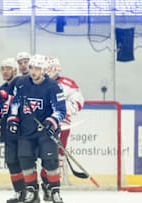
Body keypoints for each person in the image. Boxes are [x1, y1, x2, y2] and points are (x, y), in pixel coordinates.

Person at [7, 54, 66, 203]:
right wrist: (13, 119)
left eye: (37, 68)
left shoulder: (53, 86)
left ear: (44, 70)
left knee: (50, 161)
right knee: (25, 159)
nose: (33, 71)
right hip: (26, 131)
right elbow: (15, 104)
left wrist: (51, 121)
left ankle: (54, 191)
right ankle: (32, 191)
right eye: (32, 68)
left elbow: (60, 110)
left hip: (45, 132)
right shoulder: (21, 83)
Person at [42, 57, 84, 188]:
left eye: (49, 69)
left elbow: (78, 100)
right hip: (43, 124)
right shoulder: (38, 83)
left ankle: (52, 182)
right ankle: (44, 180)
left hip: (62, 124)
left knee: (56, 155)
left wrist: (64, 109)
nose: (47, 72)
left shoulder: (67, 83)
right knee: (43, 155)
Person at [0, 58, 26, 203]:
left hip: (21, 131)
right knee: (11, 161)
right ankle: (19, 191)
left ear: (15, 70)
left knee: (24, 161)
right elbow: (0, 109)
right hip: (7, 131)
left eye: (8, 68)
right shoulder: (1, 87)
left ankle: (29, 191)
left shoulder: (21, 82)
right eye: (2, 68)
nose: (5, 71)